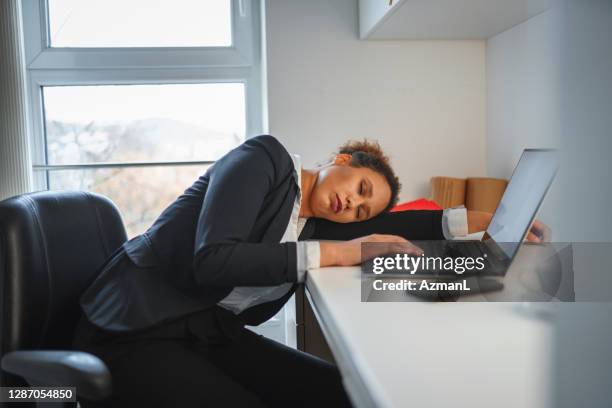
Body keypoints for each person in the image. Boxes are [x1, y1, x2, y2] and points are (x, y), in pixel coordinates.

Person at [73, 135, 548, 407]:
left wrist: (482, 222)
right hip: (134, 328)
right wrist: (342, 252)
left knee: (332, 394)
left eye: (362, 209)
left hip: (203, 330)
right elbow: (212, 258)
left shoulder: (308, 221)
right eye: (360, 186)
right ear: (340, 161)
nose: (353, 205)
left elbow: (392, 224)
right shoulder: (262, 159)